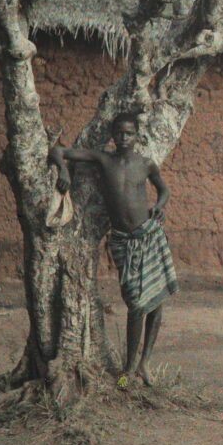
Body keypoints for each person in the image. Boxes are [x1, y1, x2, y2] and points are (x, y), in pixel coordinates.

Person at [49, 111, 178, 386]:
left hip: (149, 235)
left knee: (156, 302)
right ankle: (128, 370)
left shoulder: (145, 164)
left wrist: (158, 206)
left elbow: (164, 191)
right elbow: (58, 151)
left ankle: (143, 365)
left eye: (128, 133)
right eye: (119, 133)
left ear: (137, 135)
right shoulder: (103, 159)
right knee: (135, 303)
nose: (123, 138)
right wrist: (63, 172)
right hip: (122, 240)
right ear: (113, 134)